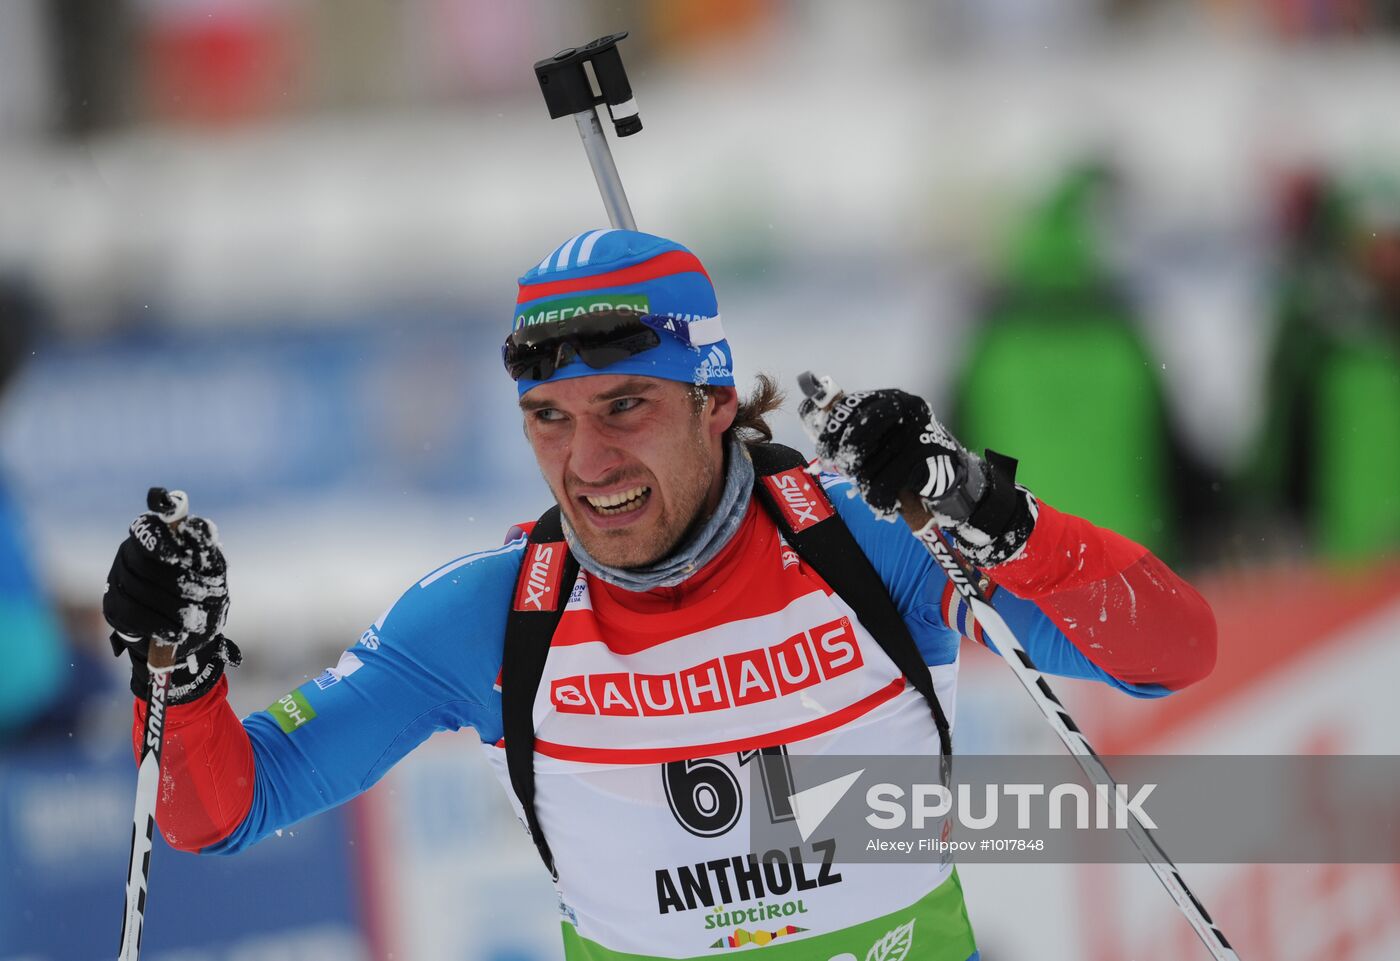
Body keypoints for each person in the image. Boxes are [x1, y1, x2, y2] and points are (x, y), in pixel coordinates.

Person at [103, 230, 1217, 961]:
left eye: (626, 405)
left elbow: (1170, 650)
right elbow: (223, 811)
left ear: (713, 398)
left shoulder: (871, 547)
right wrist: (180, 668)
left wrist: (982, 507)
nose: (585, 460)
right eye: (550, 417)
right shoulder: (489, 616)